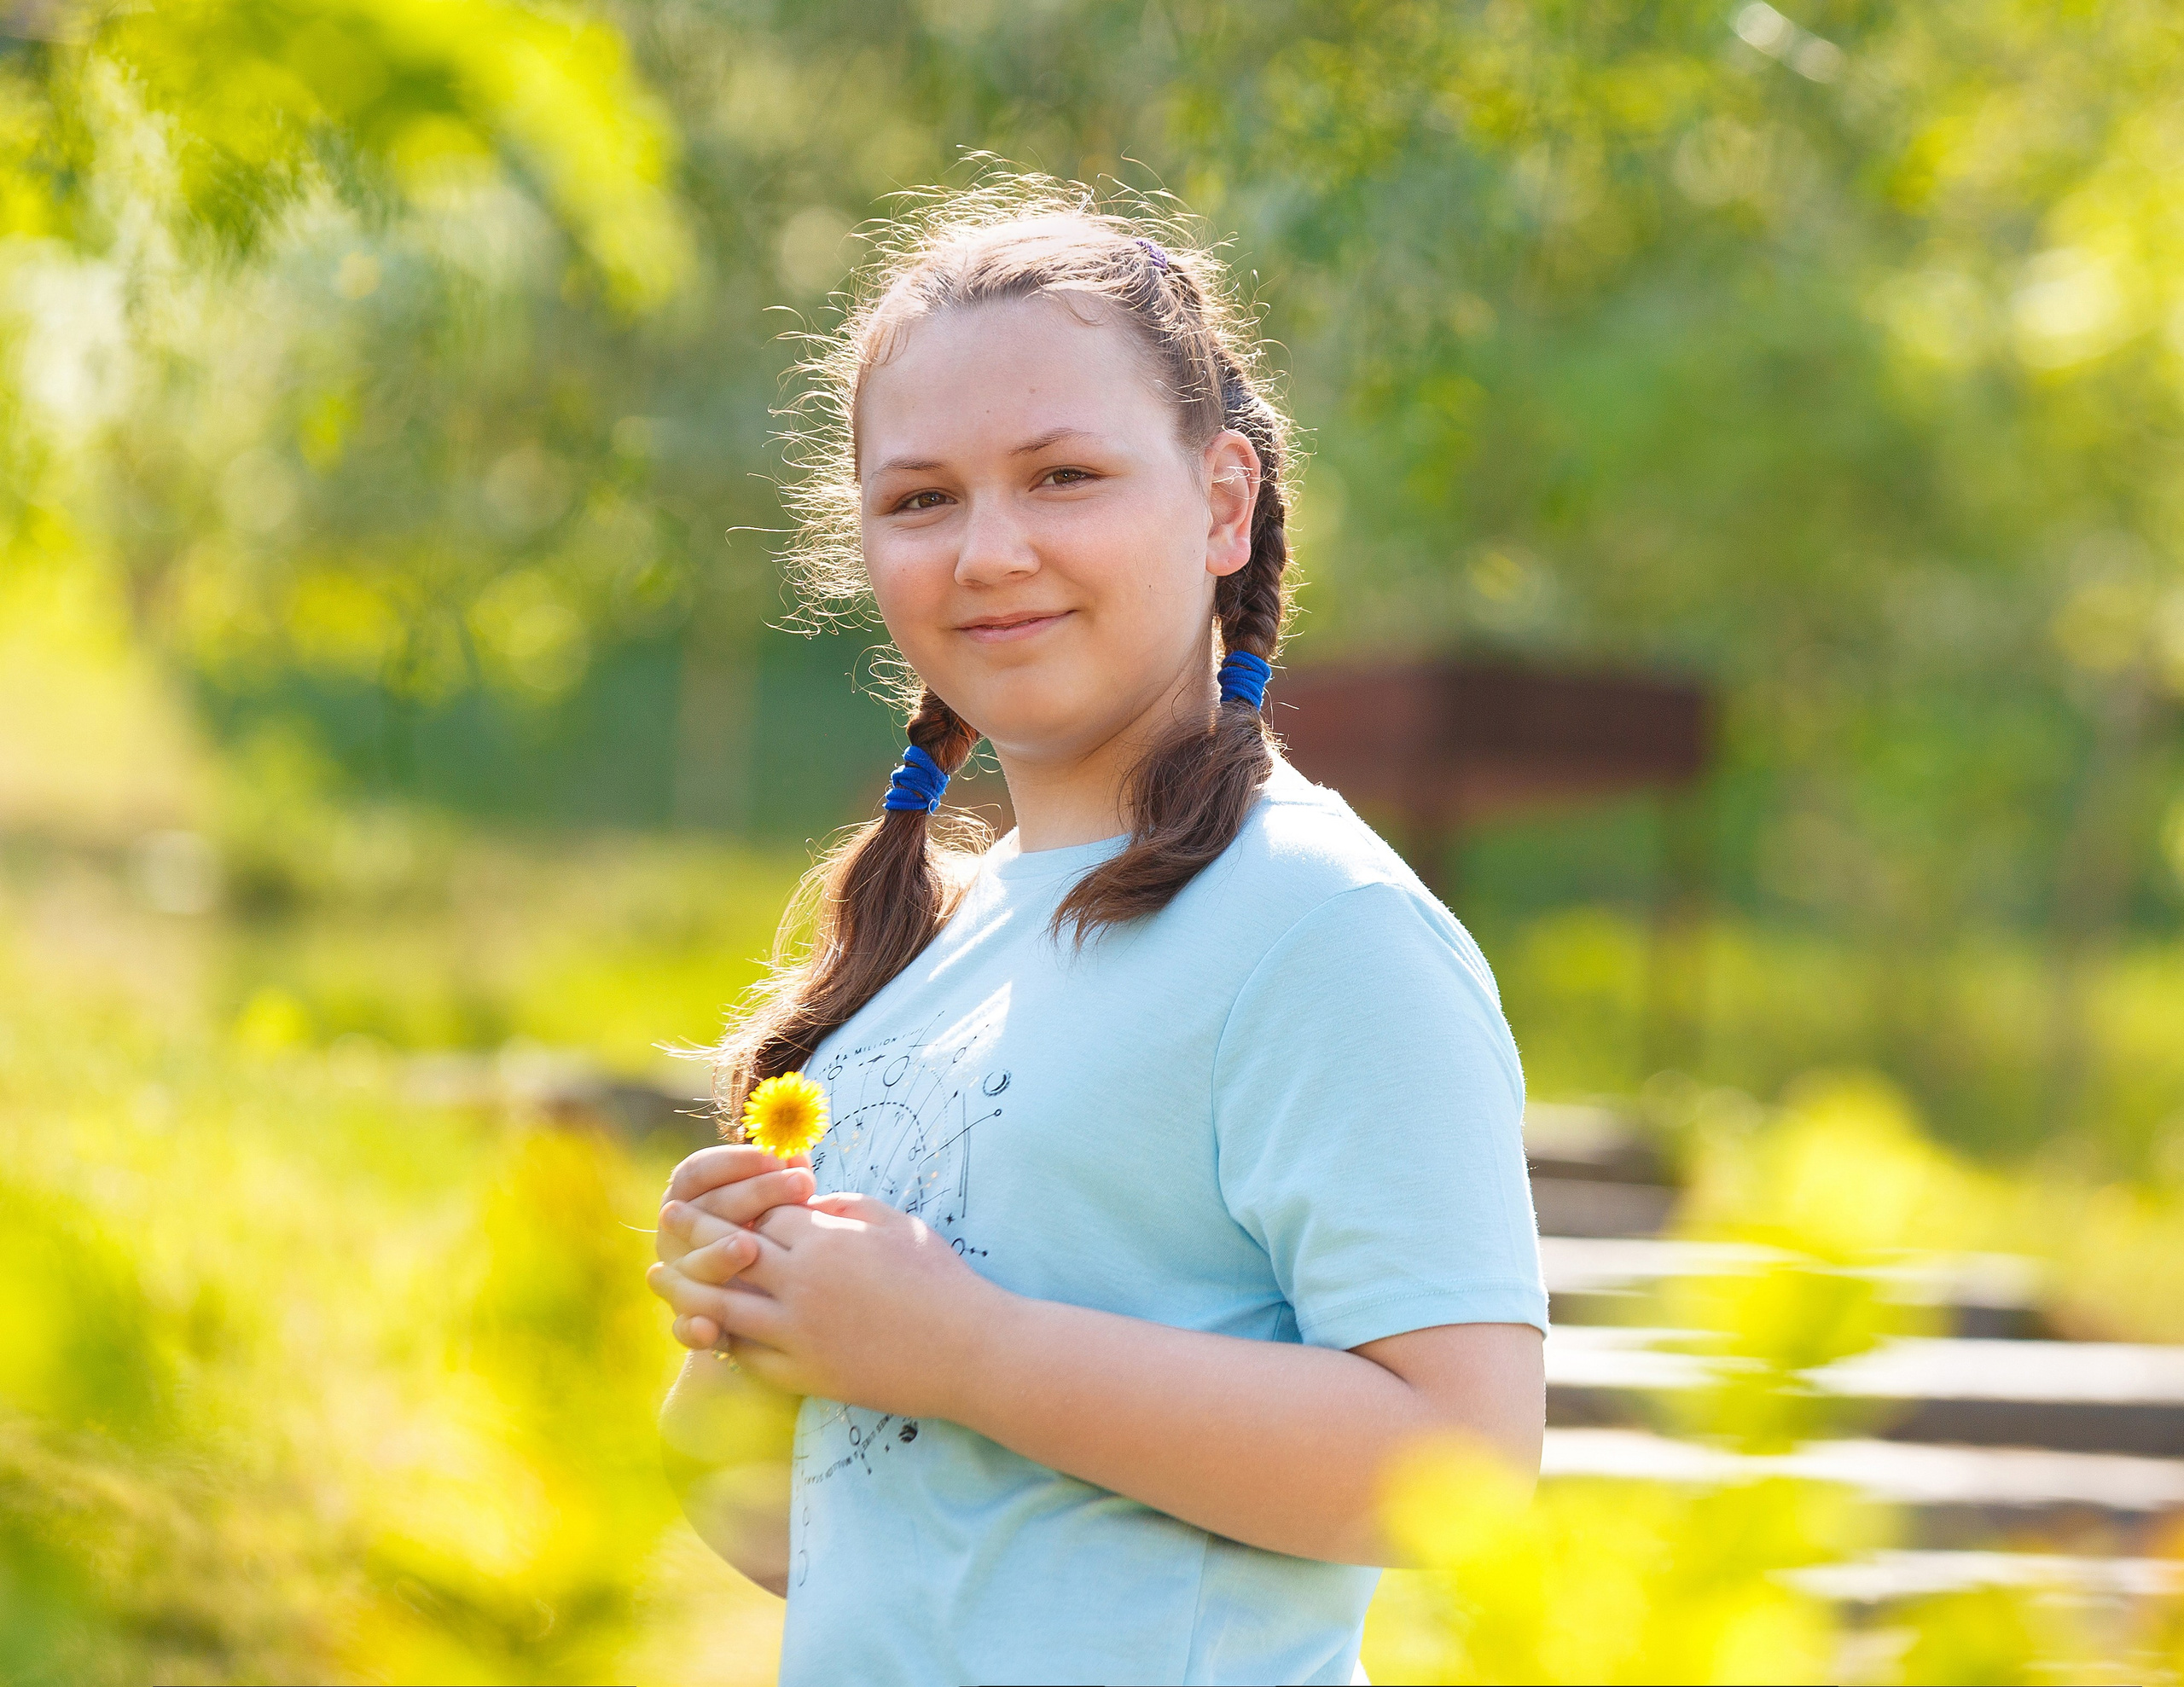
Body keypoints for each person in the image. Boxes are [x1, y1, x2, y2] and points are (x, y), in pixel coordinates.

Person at [646, 179, 1547, 1687]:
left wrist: (968, 1352)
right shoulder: (923, 960)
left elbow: (1464, 1467)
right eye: (921, 499)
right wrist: (747, 1325)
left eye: (1063, 476)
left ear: (1223, 505)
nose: (989, 550)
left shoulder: (1323, 928)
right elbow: (812, 1537)